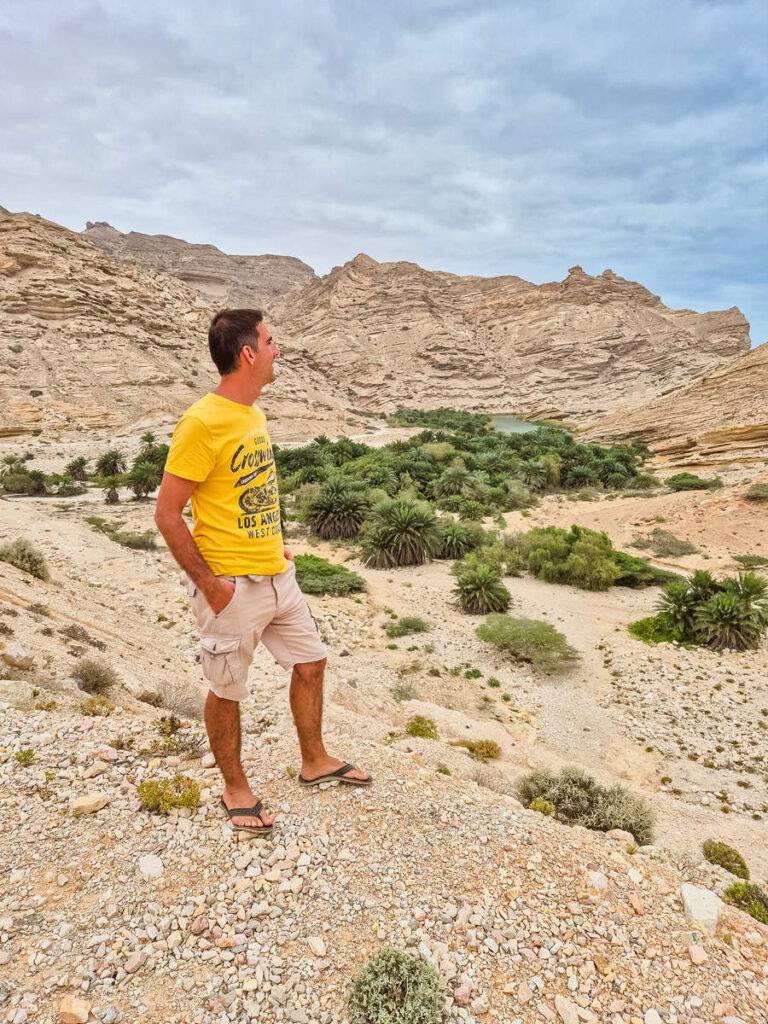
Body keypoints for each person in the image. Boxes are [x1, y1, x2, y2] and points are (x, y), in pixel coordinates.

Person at [155, 309, 371, 836]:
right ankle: (235, 788)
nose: (279, 351)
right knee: (228, 689)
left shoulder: (252, 415)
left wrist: (276, 543)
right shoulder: (201, 422)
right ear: (248, 353)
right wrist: (211, 586)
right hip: (231, 586)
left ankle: (314, 760)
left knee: (312, 662)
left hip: (276, 573)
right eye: (272, 342)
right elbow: (167, 514)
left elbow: (248, 494)